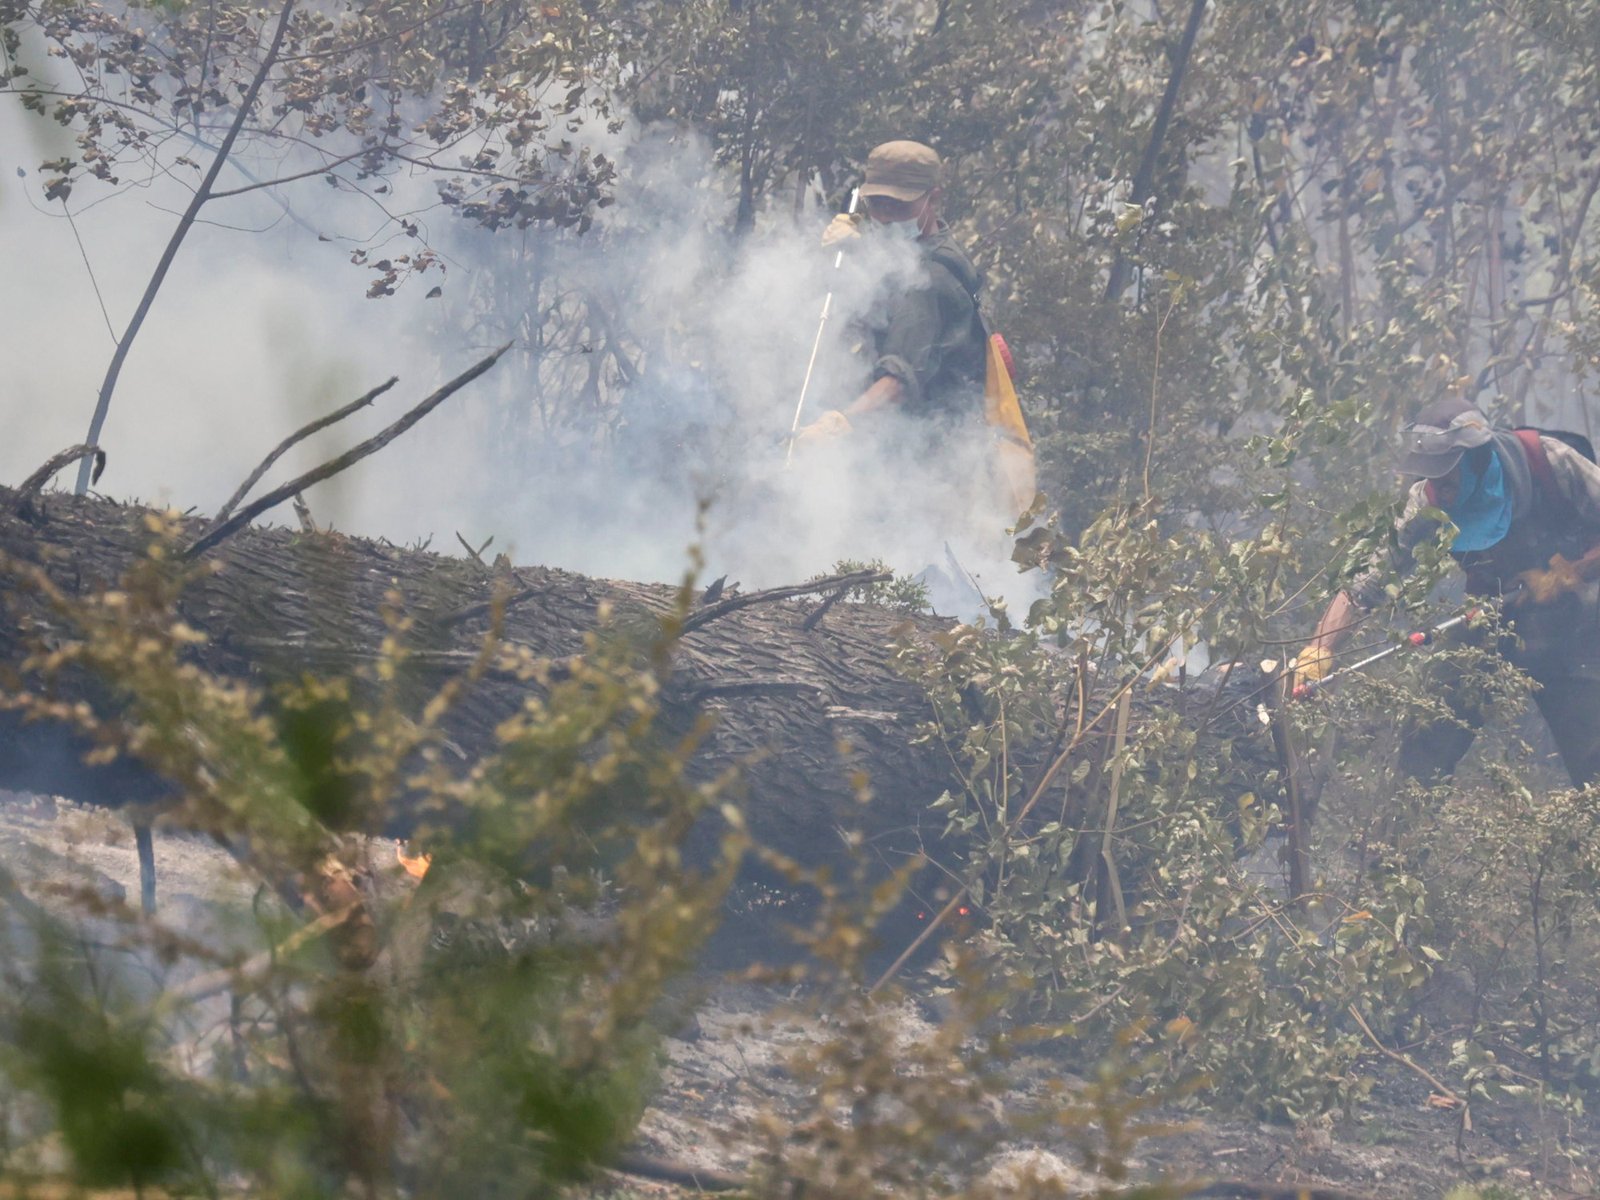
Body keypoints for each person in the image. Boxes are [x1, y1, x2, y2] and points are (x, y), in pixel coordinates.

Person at [1291, 398, 1600, 786]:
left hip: (1573, 626)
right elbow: (1364, 584)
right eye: (1433, 476)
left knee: (1593, 756)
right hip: (1490, 614)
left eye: (1448, 476)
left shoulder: (1548, 461)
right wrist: (1320, 650)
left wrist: (1571, 572)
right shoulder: (1427, 500)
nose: (1441, 489)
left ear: (1478, 459)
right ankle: (1406, 821)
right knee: (1426, 738)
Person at [794, 140, 990, 445]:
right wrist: (843, 255)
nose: (884, 216)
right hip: (889, 435)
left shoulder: (929, 278)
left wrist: (839, 425)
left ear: (933, 198)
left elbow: (897, 382)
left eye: (899, 206)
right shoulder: (904, 251)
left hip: (929, 448)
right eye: (877, 203)